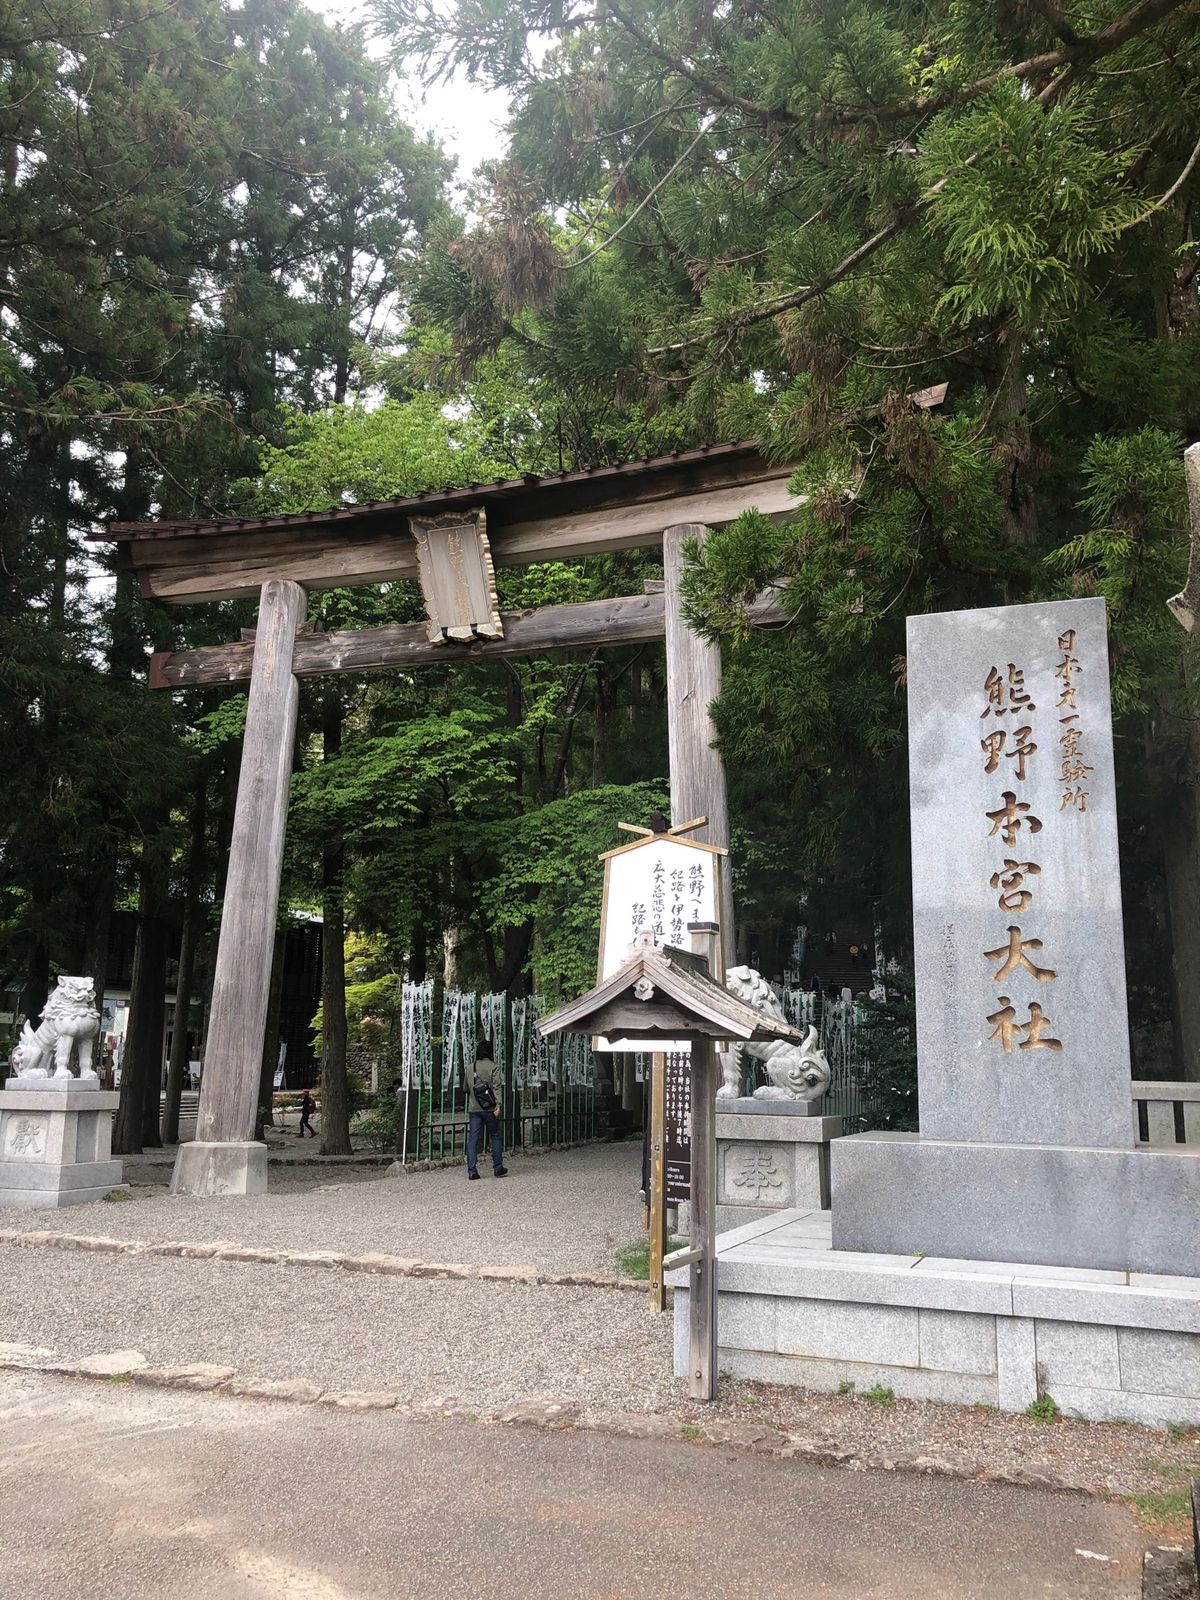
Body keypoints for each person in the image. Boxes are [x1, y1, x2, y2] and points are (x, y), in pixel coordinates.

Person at [465, 1040, 507, 1181]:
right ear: (490, 1052)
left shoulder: (470, 1067)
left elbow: (465, 1088)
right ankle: (498, 1167)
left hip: (474, 1108)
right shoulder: (494, 1067)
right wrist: (498, 1105)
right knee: (494, 1136)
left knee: (473, 1139)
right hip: (490, 1109)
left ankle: (472, 1170)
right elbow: (497, 1087)